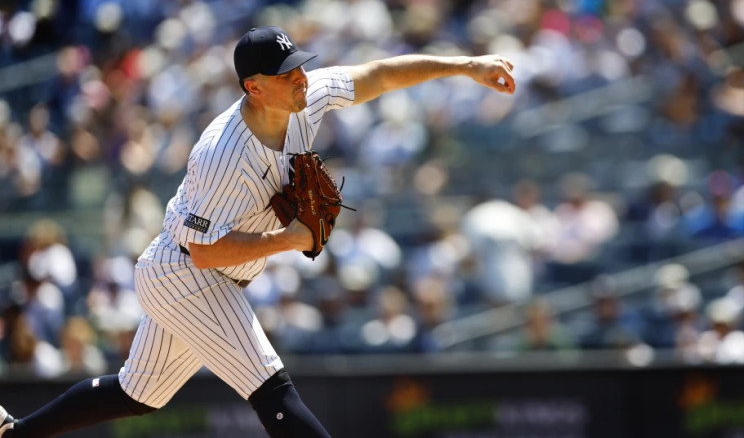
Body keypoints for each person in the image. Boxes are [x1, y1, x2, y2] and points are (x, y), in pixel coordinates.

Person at [0, 25, 515, 437]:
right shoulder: (222, 154)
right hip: (186, 274)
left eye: (299, 67)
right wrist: (291, 239)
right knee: (272, 388)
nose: (302, 79)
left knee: (139, 395)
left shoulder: (300, 99)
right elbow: (203, 253)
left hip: (205, 275)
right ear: (254, 86)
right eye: (287, 74)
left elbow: (377, 75)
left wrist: (467, 66)